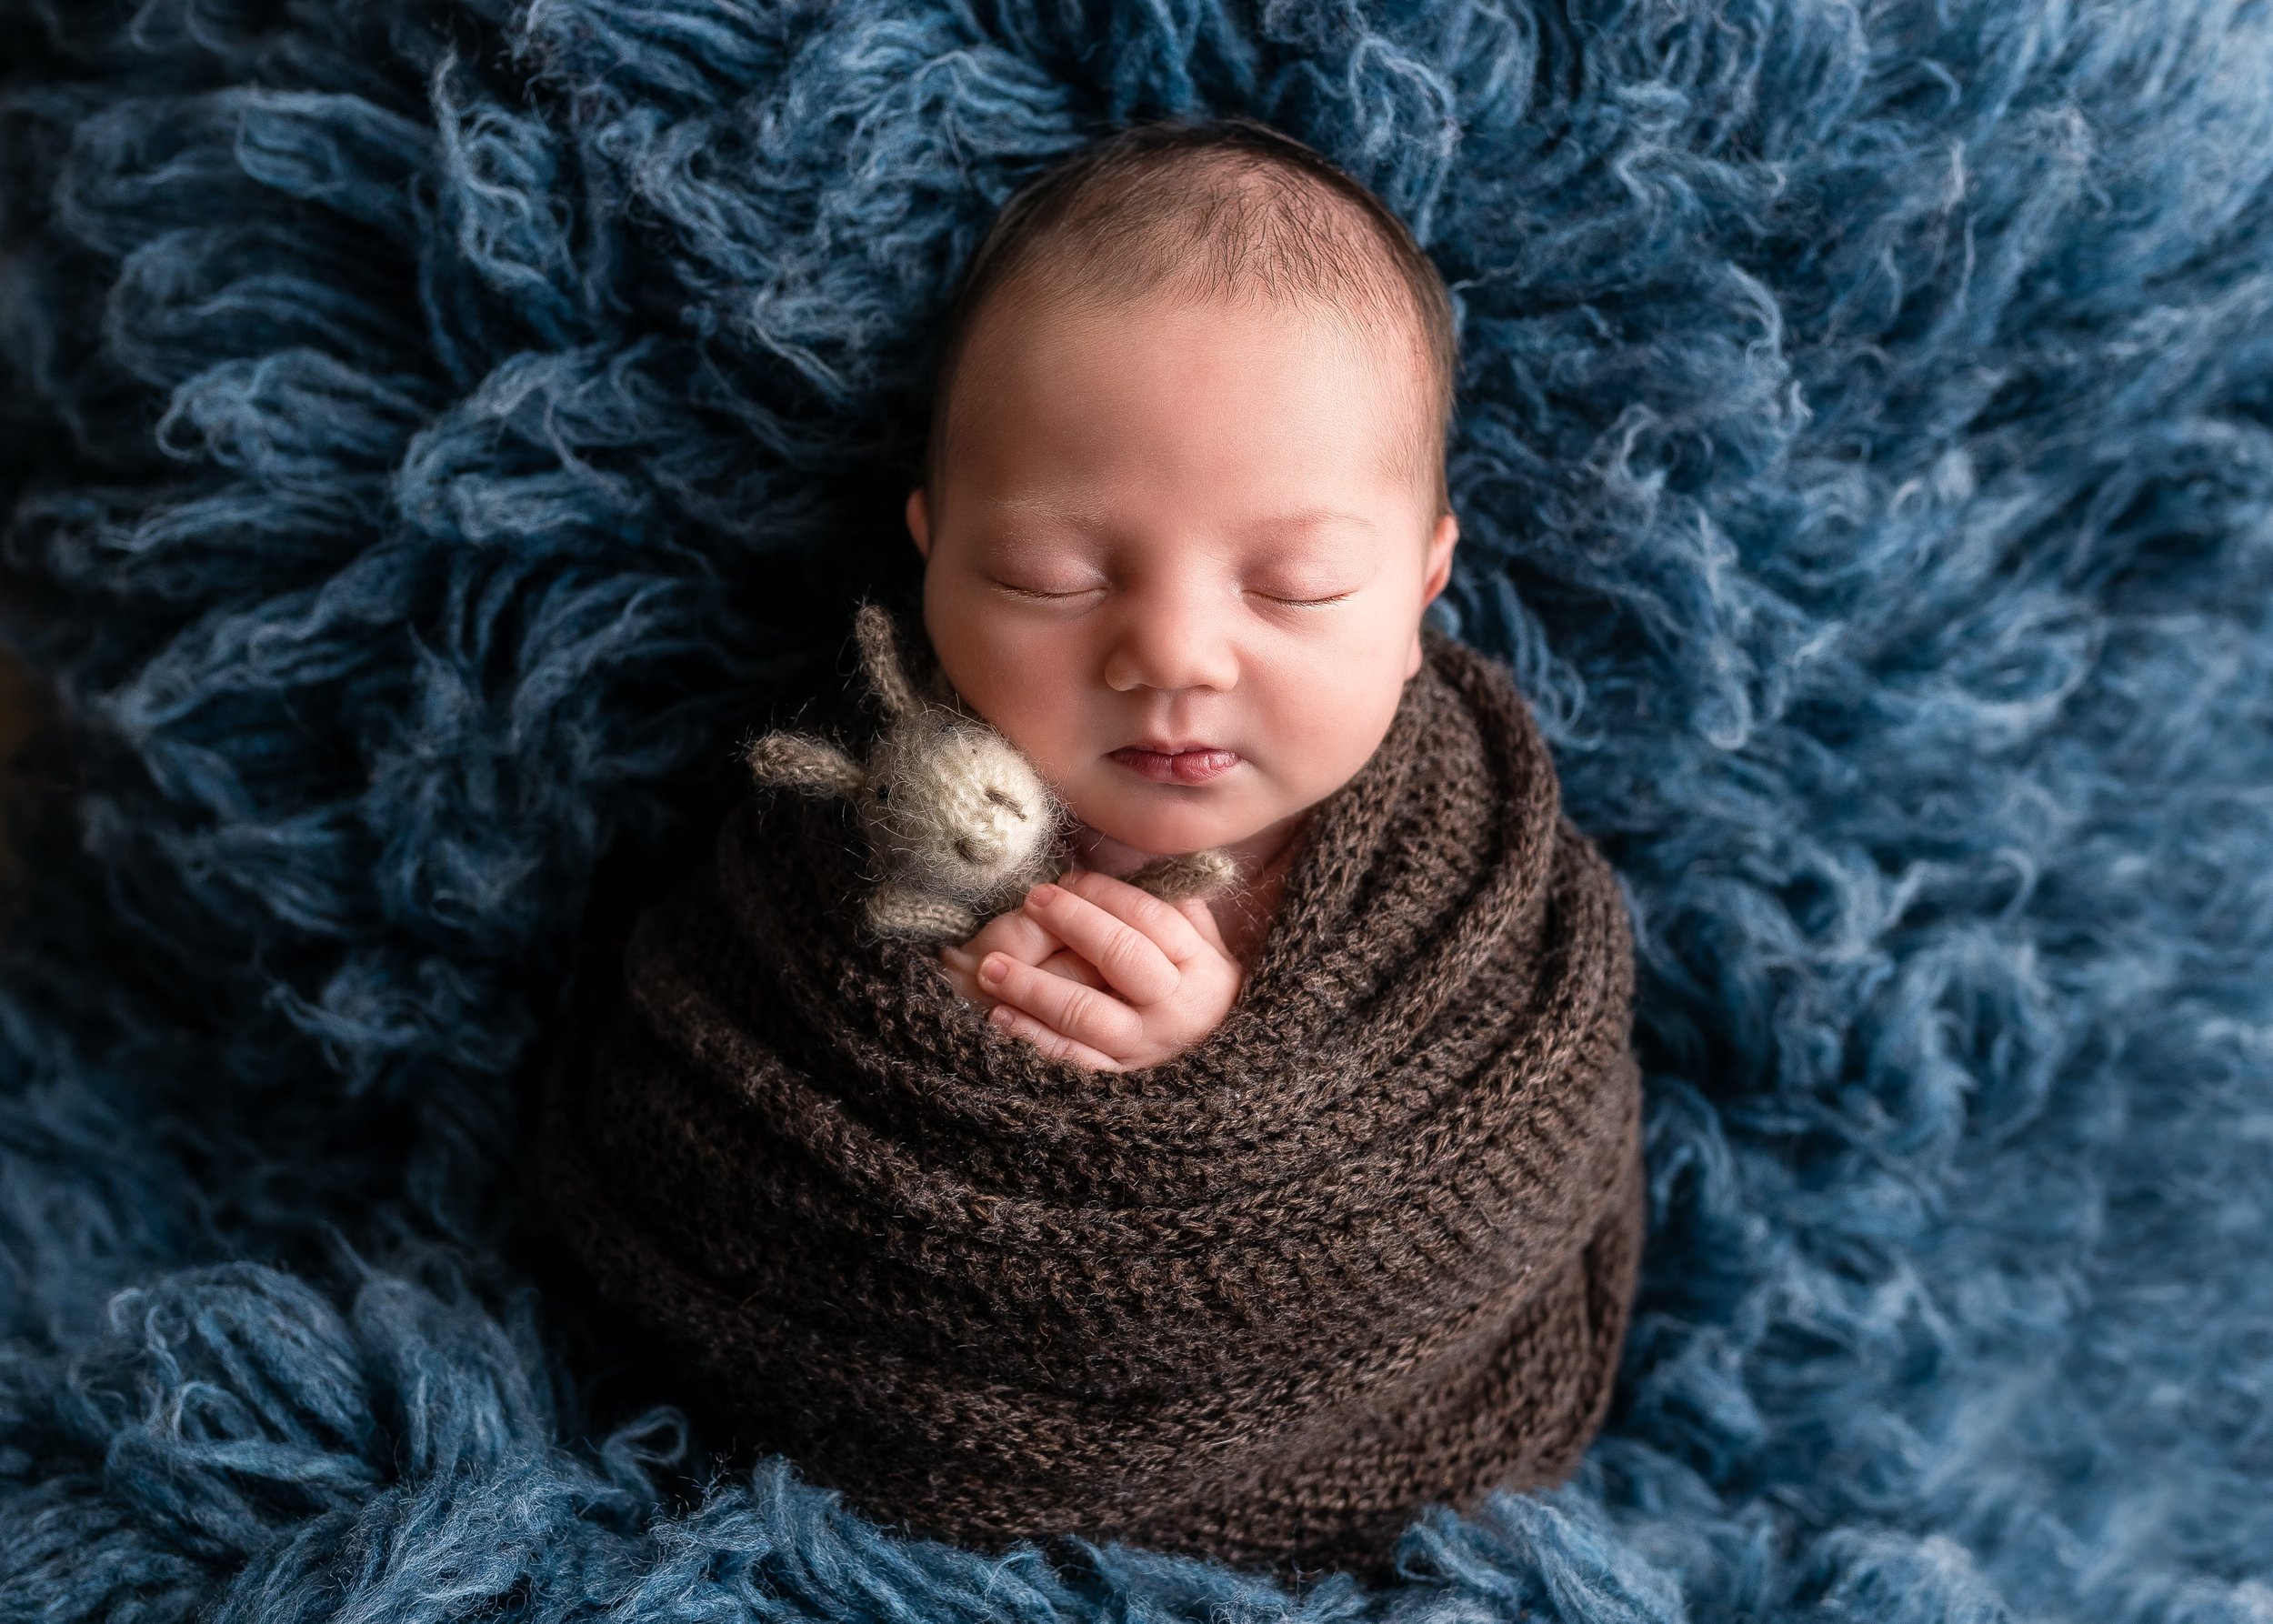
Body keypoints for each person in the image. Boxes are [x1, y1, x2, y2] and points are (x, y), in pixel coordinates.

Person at [914, 117, 1461, 1070]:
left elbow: (1519, 1163)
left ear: (1421, 595)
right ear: (931, 558)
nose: (1171, 652)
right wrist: (943, 1030)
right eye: (1050, 578)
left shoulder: (1462, 875)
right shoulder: (855, 818)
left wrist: (1225, 1079)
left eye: (1298, 588)